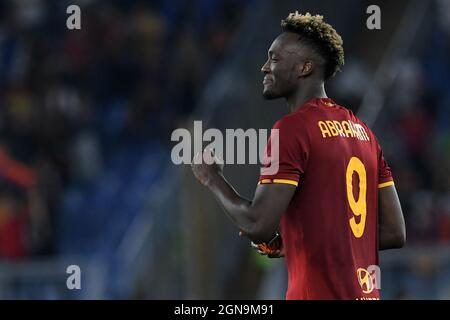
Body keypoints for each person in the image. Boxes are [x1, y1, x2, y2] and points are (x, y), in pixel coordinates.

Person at [191, 12, 406, 300]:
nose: (265, 67)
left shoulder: (293, 129)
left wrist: (211, 177)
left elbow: (256, 224)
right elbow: (394, 231)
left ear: (305, 67)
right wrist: (298, 241)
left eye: (275, 58)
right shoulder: (364, 133)